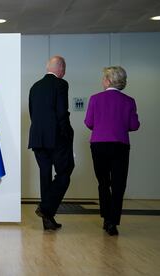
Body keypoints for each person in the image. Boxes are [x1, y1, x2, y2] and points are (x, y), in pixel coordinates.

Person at [84, 66, 140, 236]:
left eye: (103, 78)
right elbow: (133, 125)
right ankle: (112, 222)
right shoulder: (129, 101)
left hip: (99, 145)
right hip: (120, 145)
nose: (102, 81)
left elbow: (89, 123)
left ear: (108, 80)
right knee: (118, 184)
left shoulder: (95, 99)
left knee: (103, 183)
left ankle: (105, 217)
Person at [28, 56, 75, 231]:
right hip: (56, 138)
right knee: (65, 170)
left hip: (37, 138)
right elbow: (62, 113)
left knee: (45, 176)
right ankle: (46, 208)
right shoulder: (61, 85)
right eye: (64, 69)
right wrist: (68, 134)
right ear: (61, 69)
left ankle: (47, 220)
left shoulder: (35, 86)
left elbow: (33, 113)